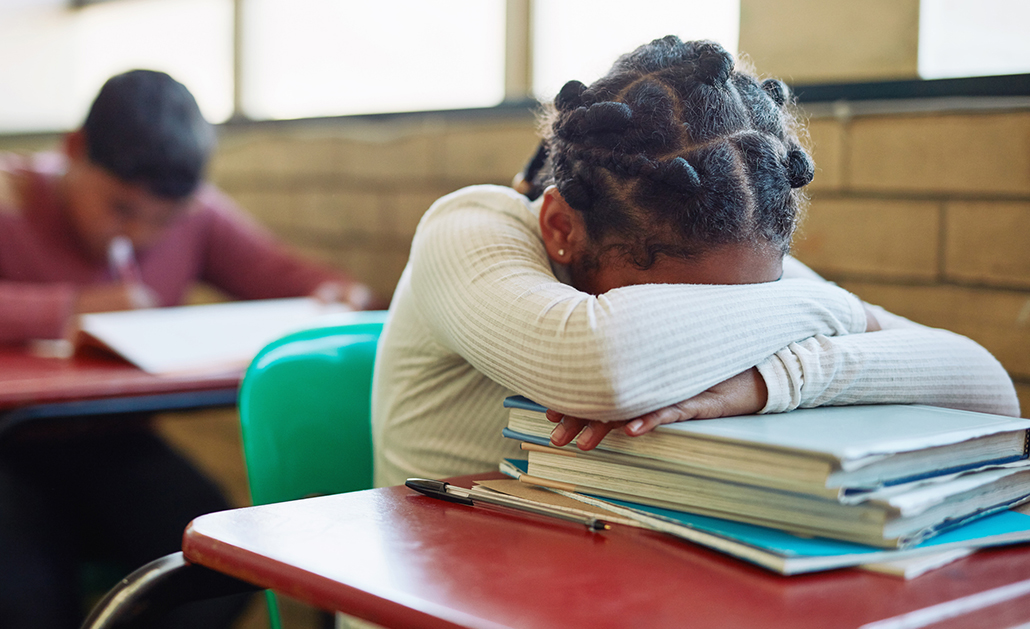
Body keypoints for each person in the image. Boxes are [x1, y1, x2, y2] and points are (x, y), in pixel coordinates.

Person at [371, 36, 1019, 488]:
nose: (727, 326)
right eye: (676, 314)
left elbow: (986, 390)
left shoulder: (724, 251)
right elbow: (604, 364)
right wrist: (835, 309)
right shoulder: (468, 228)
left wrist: (776, 377)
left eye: (747, 308)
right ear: (561, 227)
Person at [0, 69, 379, 629]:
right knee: (24, 596)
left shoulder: (197, 213)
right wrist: (69, 309)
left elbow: (291, 275)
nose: (144, 235)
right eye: (121, 209)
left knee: (218, 563)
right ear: (74, 151)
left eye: (165, 219)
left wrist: (336, 295)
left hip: (114, 442)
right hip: (10, 449)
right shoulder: (10, 198)